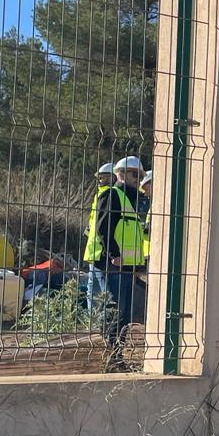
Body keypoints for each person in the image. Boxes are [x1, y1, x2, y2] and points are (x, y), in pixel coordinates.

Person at [93, 156, 148, 365]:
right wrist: (113, 254)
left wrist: (137, 265)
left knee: (123, 314)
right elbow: (103, 227)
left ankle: (115, 355)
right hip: (113, 264)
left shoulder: (132, 201)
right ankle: (110, 354)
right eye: (135, 174)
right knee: (116, 310)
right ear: (121, 174)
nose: (138, 179)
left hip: (127, 267)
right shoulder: (112, 195)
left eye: (140, 176)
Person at [82, 162, 117, 308]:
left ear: (113, 177)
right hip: (95, 250)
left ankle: (99, 321)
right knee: (94, 288)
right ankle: (94, 322)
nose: (101, 180)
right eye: (100, 178)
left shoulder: (109, 195)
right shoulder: (102, 194)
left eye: (104, 177)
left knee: (99, 289)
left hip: (101, 250)